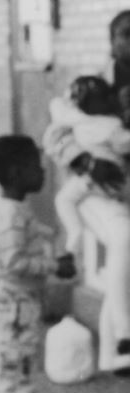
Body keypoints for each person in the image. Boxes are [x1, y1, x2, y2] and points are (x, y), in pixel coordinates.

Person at [43, 9, 130, 375]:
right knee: (125, 238)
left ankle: (115, 355)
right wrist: (86, 163)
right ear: (111, 41)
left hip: (124, 188)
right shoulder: (92, 86)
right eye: (125, 34)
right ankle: (126, 333)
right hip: (94, 190)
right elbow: (54, 136)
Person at [0, 135, 77, 393]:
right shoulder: (10, 215)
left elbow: (31, 235)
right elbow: (13, 263)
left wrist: (50, 240)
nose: (42, 172)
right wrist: (55, 267)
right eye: (35, 167)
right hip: (16, 304)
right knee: (14, 373)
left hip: (22, 302)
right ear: (14, 173)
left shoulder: (14, 208)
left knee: (21, 370)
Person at [47, 74, 130, 257]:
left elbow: (56, 105)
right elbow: (53, 142)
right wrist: (85, 161)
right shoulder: (111, 125)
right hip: (111, 180)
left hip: (90, 184)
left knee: (63, 200)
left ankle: (73, 240)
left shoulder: (75, 117)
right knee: (122, 237)